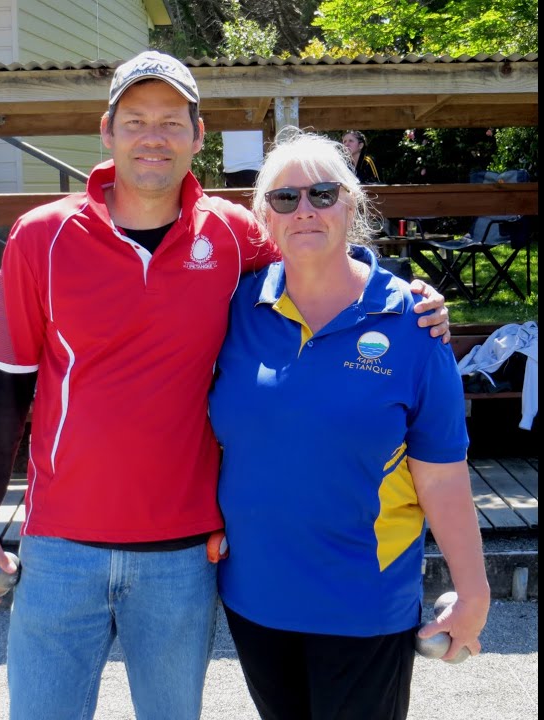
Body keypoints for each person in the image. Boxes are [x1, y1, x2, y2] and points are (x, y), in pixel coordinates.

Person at [0, 51, 452, 720]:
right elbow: (6, 387)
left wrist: (405, 295)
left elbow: (320, 247)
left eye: (171, 120)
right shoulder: (41, 237)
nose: (153, 136)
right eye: (136, 120)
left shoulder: (233, 234)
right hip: (60, 546)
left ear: (198, 134)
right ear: (107, 131)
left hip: (182, 557)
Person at [208, 128, 489, 720]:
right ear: (263, 216)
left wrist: (473, 590)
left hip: (364, 603)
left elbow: (442, 475)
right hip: (255, 600)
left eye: (322, 193)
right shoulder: (235, 308)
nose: (304, 210)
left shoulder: (414, 322)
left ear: (353, 205)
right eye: (284, 199)